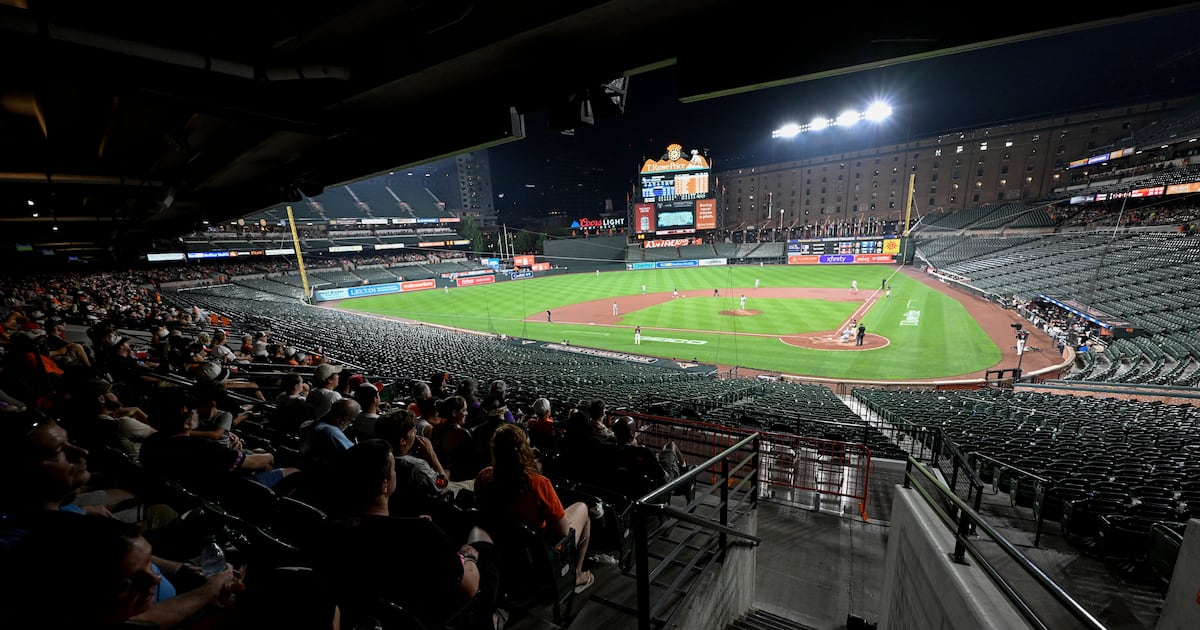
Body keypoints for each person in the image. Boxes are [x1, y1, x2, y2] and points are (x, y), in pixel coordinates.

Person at [320, 440, 500, 629]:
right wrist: (435, 461)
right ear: (384, 485)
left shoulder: (331, 532)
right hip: (430, 613)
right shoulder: (415, 468)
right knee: (483, 545)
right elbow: (443, 485)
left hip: (368, 616)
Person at [474, 424, 594, 594]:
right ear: (523, 451)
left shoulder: (484, 476)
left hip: (504, 546)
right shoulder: (538, 483)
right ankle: (576, 575)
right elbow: (563, 531)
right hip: (539, 552)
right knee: (582, 508)